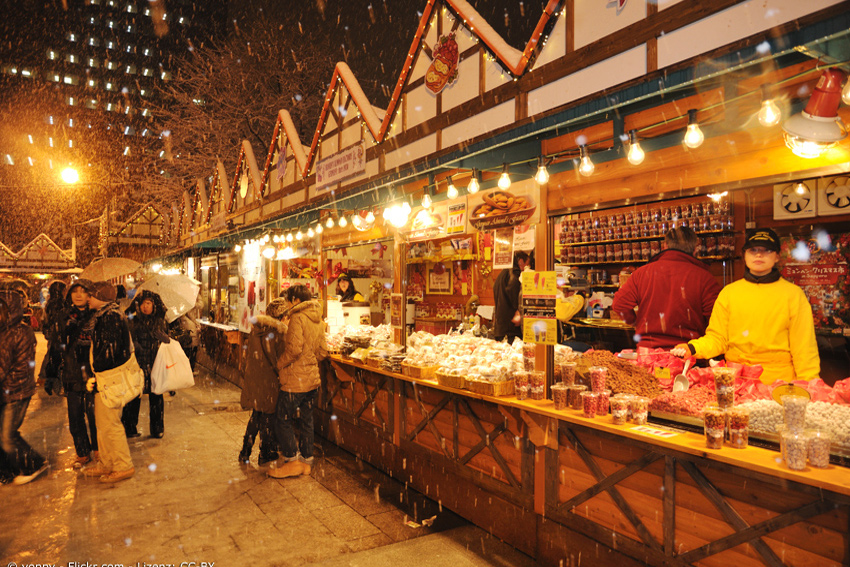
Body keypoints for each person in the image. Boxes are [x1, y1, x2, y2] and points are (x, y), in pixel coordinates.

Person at [674, 228, 820, 385]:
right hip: (734, 381)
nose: (758, 255)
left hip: (777, 384)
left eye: (766, 250)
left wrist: (810, 386)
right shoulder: (729, 293)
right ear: (744, 255)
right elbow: (718, 338)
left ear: (777, 256)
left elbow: (805, 350)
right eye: (753, 250)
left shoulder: (794, 295)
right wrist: (693, 348)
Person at [612, 226, 721, 348]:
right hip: (687, 353)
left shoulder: (642, 273)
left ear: (665, 246)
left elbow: (619, 304)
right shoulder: (705, 278)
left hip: (648, 352)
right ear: (695, 249)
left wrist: (634, 322)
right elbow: (715, 319)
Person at [268, 285, 328, 479]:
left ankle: (292, 460)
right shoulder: (318, 319)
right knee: (307, 420)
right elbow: (323, 351)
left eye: (288, 300)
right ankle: (307, 461)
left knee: (282, 419)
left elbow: (294, 349)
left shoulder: (297, 318)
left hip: (296, 381)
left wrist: (280, 363)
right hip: (312, 381)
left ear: (295, 300)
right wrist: (310, 362)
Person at [82, 281, 136, 483]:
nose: (87, 298)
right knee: (103, 424)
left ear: (101, 297)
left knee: (111, 424)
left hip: (110, 379)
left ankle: (123, 465)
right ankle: (106, 463)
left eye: (91, 295)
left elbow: (109, 351)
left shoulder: (111, 317)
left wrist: (97, 371)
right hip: (104, 378)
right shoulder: (103, 316)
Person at [0, 288, 48, 485]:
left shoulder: (21, 332)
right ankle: (7, 471)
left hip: (16, 391)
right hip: (5, 390)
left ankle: (34, 463)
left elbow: (14, 365)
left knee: (7, 435)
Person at [239, 297, 288, 465]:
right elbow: (279, 360)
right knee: (268, 415)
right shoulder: (278, 332)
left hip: (255, 377)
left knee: (256, 414)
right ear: (281, 316)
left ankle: (245, 450)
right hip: (269, 379)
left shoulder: (257, 329)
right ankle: (266, 452)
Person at [55, 279, 98, 468]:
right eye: (75, 291)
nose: (79, 295)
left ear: (90, 295)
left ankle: (98, 449)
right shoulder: (64, 316)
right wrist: (51, 371)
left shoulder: (98, 315)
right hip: (72, 371)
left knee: (95, 414)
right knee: (75, 415)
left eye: (83, 291)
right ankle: (82, 452)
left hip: (93, 371)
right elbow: (56, 344)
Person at [122, 290, 170, 438]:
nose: (145, 307)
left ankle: (157, 429)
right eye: (142, 303)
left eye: (148, 303)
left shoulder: (160, 321)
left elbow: (169, 342)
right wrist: (135, 345)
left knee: (156, 395)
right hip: (138, 364)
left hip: (156, 363)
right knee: (134, 395)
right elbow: (127, 339)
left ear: (154, 305)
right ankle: (130, 428)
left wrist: (164, 338)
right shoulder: (133, 320)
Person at [492, 251, 530, 343]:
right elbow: (513, 290)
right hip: (511, 329)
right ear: (520, 261)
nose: (526, 268)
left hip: (500, 328)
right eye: (526, 264)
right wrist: (517, 310)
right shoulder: (514, 273)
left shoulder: (501, 275)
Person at [40, 280, 67, 395]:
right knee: (56, 357)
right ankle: (51, 382)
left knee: (52, 355)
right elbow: (58, 321)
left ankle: (48, 380)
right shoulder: (59, 303)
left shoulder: (50, 302)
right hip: (57, 335)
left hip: (52, 334)